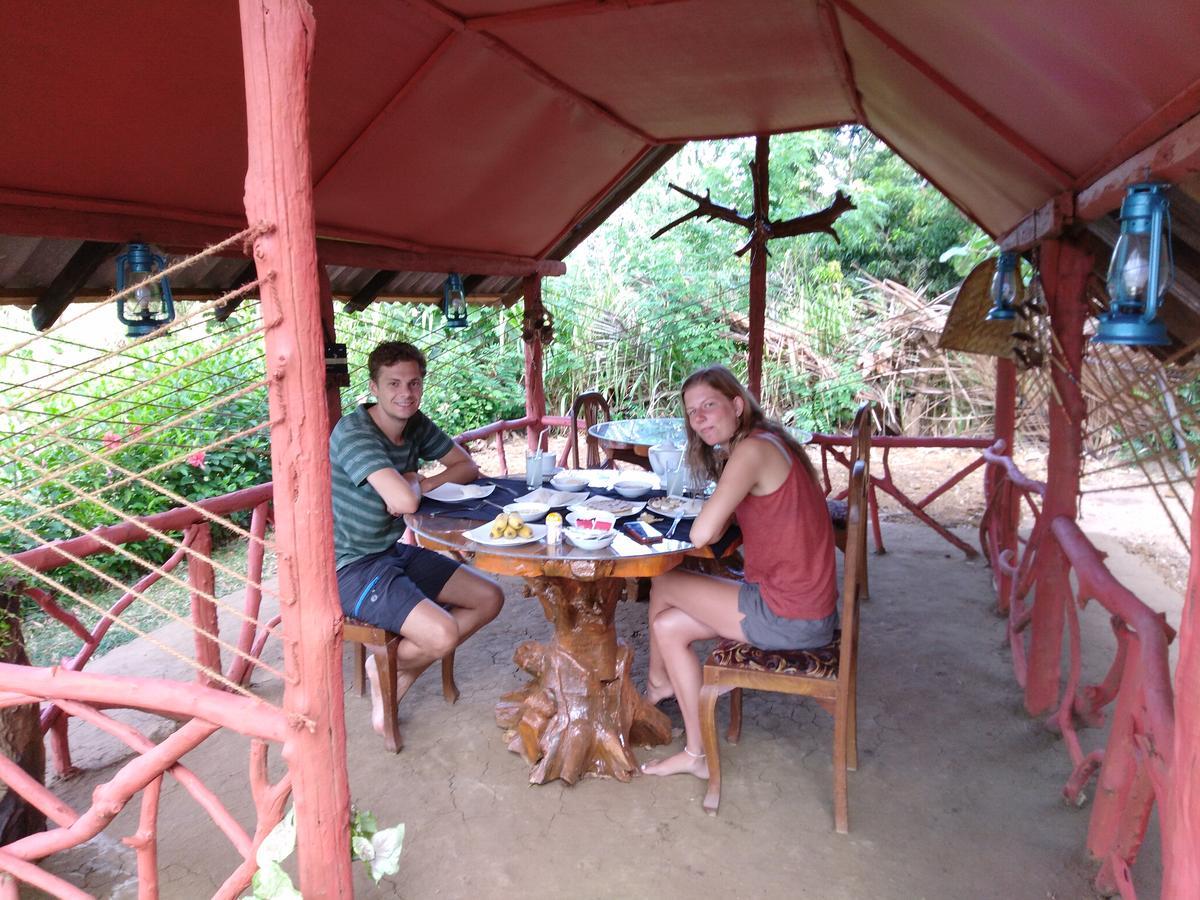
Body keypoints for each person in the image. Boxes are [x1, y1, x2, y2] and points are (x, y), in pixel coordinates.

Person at [641, 365, 838, 778]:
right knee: (669, 627)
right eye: (692, 412)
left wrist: (713, 504)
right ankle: (696, 755)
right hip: (803, 605)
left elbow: (701, 535)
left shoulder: (750, 451)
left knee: (664, 578)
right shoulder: (769, 441)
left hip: (789, 613)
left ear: (736, 404)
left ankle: (658, 683)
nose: (699, 419)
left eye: (709, 406)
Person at [330, 340, 504, 735]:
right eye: (393, 384)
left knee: (489, 598)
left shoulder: (415, 422)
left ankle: (397, 667)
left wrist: (418, 483)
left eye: (413, 384)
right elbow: (402, 501)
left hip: (391, 551)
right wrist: (412, 482)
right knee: (441, 634)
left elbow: (466, 466)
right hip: (350, 567)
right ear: (373, 387)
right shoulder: (354, 432)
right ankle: (386, 667)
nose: (405, 394)